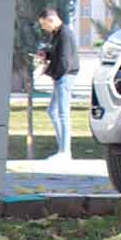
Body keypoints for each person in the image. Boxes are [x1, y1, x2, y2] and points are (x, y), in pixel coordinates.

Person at [37, 9, 78, 160]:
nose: (43, 28)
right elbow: (56, 53)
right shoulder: (57, 34)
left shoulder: (65, 34)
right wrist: (46, 54)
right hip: (60, 76)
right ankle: (62, 149)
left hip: (65, 76)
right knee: (52, 112)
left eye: (43, 24)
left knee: (62, 113)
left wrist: (50, 73)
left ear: (51, 20)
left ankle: (65, 152)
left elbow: (65, 61)